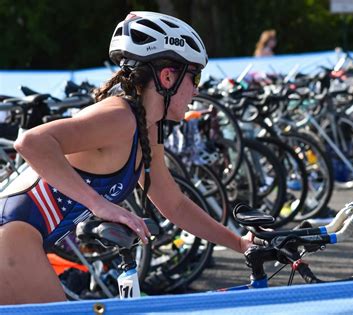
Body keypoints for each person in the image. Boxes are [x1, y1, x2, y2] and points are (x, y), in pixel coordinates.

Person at [0, 11, 254, 305]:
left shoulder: (148, 128)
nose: (197, 89)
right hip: (12, 234)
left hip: (24, 238)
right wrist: (100, 205)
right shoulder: (120, 117)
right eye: (194, 76)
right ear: (168, 76)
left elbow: (175, 205)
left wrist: (239, 243)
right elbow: (31, 142)